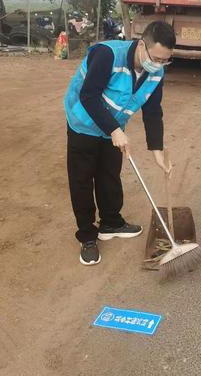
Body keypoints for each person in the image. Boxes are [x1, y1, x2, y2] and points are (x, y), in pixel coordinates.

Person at [64, 21, 176, 265]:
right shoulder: (107, 54)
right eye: (155, 58)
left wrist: (157, 151)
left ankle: (111, 223)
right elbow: (88, 96)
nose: (157, 65)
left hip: (112, 127)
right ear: (141, 45)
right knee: (82, 180)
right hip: (82, 123)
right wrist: (114, 130)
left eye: (164, 61)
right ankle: (88, 237)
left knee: (109, 174)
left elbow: (153, 111)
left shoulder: (156, 72)